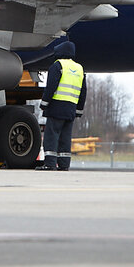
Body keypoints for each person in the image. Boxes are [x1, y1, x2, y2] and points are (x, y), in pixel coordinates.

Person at [36, 41, 86, 171]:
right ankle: (64, 164)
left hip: (56, 107)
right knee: (65, 138)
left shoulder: (58, 66)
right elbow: (83, 91)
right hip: (71, 110)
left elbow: (51, 86)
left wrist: (44, 103)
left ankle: (50, 164)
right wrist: (79, 110)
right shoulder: (80, 69)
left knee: (51, 136)